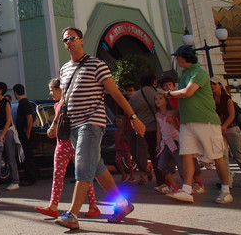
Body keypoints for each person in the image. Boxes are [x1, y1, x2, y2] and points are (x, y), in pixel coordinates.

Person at [53, 27, 145, 229]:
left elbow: (116, 94)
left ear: (82, 40)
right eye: (65, 39)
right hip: (74, 125)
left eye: (72, 38)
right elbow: (65, 100)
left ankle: (72, 214)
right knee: (96, 167)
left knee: (83, 166)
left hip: (92, 123)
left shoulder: (97, 65)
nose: (69, 42)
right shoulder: (65, 69)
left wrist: (134, 117)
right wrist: (54, 123)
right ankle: (122, 204)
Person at [166, 45, 234, 204]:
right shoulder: (185, 75)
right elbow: (186, 100)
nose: (177, 59)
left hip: (206, 122)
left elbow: (187, 93)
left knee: (217, 156)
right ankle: (187, 189)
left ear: (184, 57)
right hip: (187, 122)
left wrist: (168, 93)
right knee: (187, 154)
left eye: (178, 56)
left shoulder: (199, 73)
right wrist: (175, 113)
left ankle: (225, 191)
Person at [37, 78, 100, 219]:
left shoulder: (69, 104)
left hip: (74, 144)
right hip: (61, 145)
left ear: (61, 90)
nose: (50, 93)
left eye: (52, 90)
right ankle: (53, 206)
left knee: (83, 176)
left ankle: (93, 206)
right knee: (57, 176)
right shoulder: (56, 106)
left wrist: (53, 126)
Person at [210, 77, 241, 187]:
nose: (212, 86)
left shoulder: (227, 99)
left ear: (220, 85)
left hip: (231, 128)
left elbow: (232, 115)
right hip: (219, 130)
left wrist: (224, 126)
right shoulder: (210, 100)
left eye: (215, 84)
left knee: (238, 154)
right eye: (211, 84)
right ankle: (226, 181)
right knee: (223, 155)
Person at [129, 73, 163, 186]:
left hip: (142, 128)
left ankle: (143, 175)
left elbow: (131, 112)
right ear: (153, 81)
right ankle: (161, 178)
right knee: (156, 153)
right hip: (157, 128)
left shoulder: (135, 96)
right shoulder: (159, 93)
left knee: (141, 153)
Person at [0, 81, 20, 191]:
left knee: (10, 156)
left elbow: (9, 120)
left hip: (7, 131)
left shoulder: (5, 103)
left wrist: (2, 134)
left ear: (0, 91)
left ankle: (15, 181)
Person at [154, 90, 182, 193]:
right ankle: (173, 185)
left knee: (181, 164)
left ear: (166, 101)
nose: (158, 101)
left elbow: (178, 127)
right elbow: (159, 130)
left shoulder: (171, 113)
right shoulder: (157, 115)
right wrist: (158, 144)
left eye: (160, 98)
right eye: (156, 99)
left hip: (175, 141)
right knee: (162, 164)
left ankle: (188, 186)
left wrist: (173, 121)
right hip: (165, 143)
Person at [13, 83, 39, 184]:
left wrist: (28, 131)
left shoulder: (24, 103)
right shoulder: (23, 103)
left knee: (28, 156)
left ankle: (31, 178)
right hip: (23, 132)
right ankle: (28, 175)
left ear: (15, 93)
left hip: (25, 132)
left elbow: (29, 117)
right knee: (25, 155)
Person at [114, 114, 134, 183]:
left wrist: (124, 138)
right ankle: (124, 174)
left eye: (120, 121)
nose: (118, 123)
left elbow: (128, 139)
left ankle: (132, 176)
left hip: (126, 149)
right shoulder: (116, 131)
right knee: (118, 161)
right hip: (119, 149)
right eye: (117, 122)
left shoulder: (125, 130)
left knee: (128, 163)